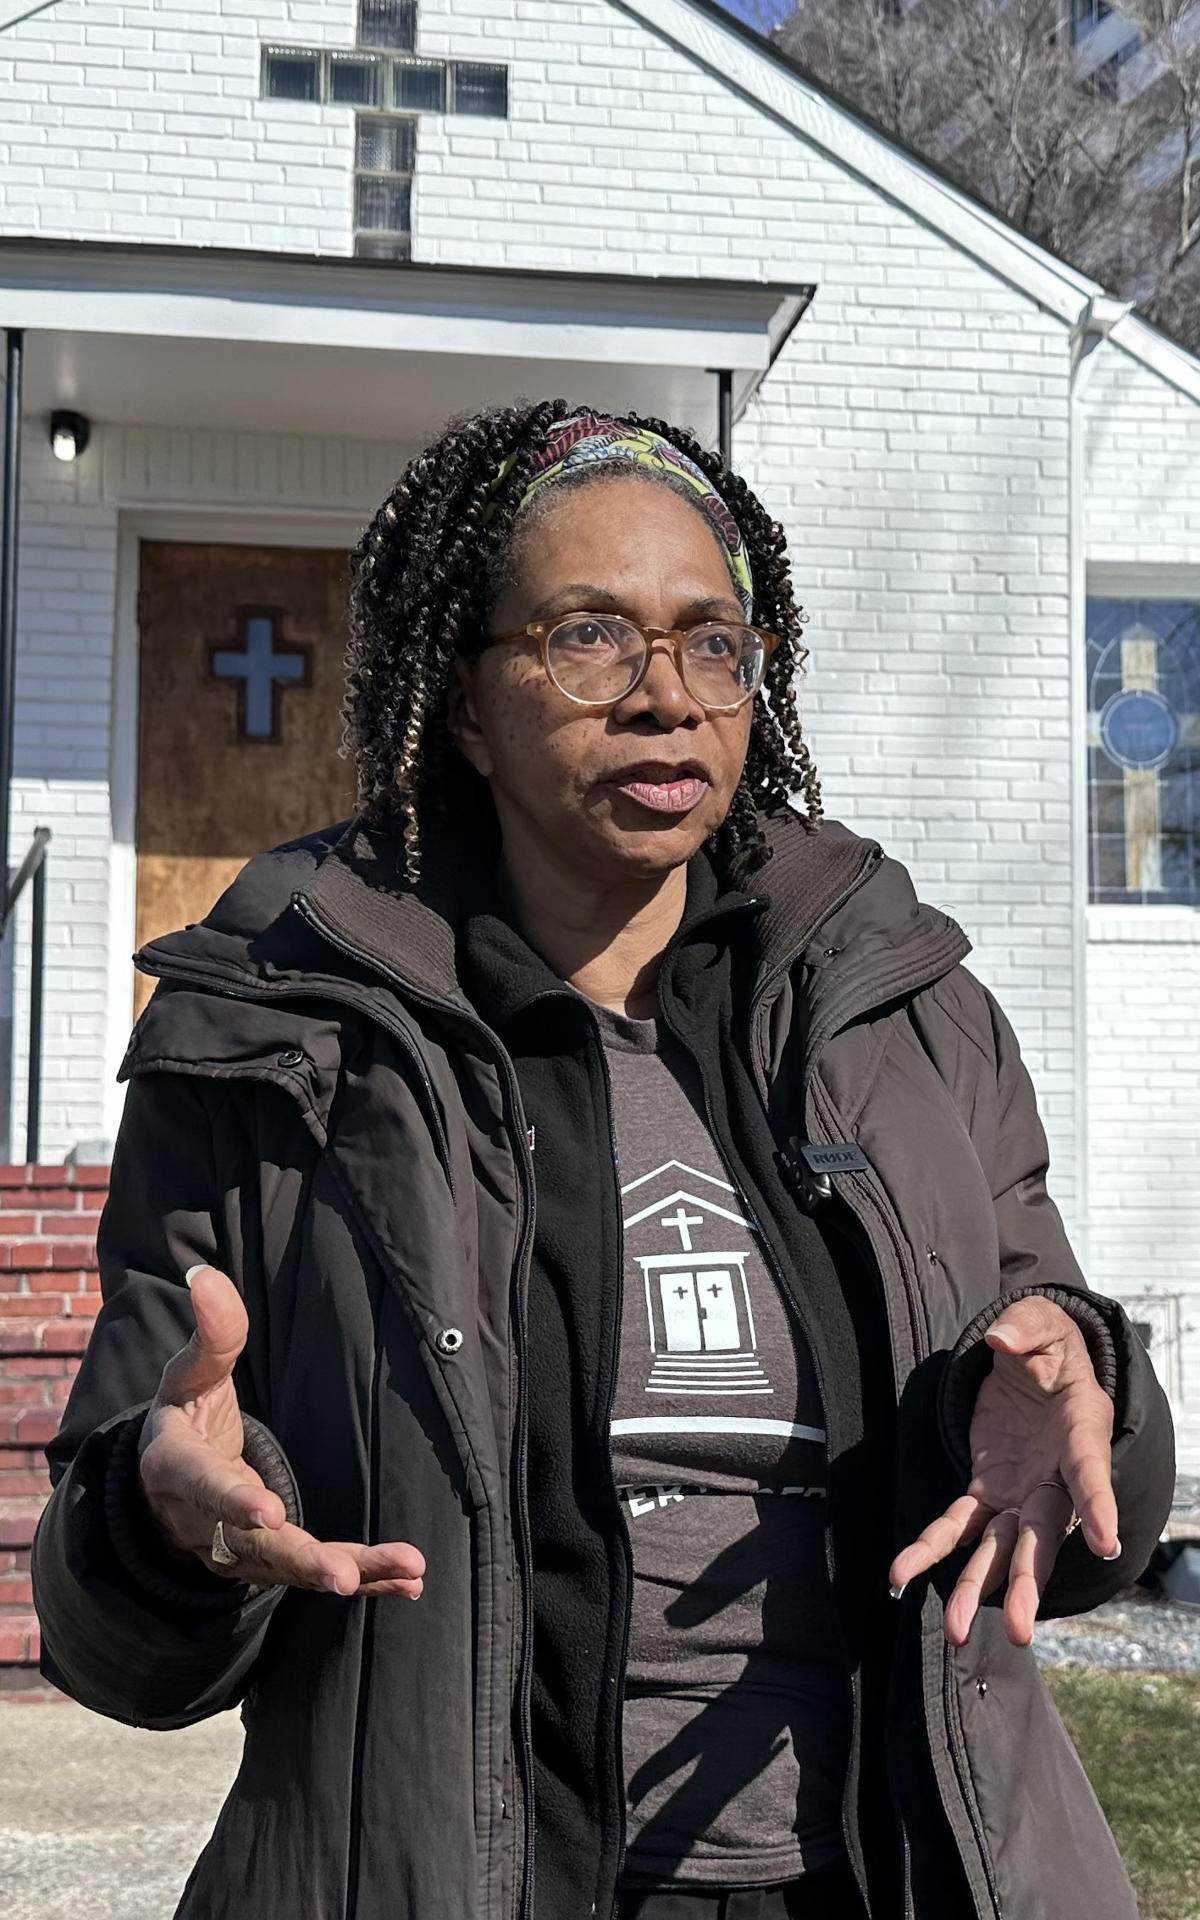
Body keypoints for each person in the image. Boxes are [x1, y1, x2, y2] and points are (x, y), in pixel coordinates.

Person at [33, 402, 1173, 1920]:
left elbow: (1078, 1498)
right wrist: (164, 1521)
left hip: (894, 1877)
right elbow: (115, 1643)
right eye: (589, 638)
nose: (667, 700)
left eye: (714, 644)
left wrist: (1091, 1404)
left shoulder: (911, 1016)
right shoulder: (275, 1044)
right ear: (462, 701)